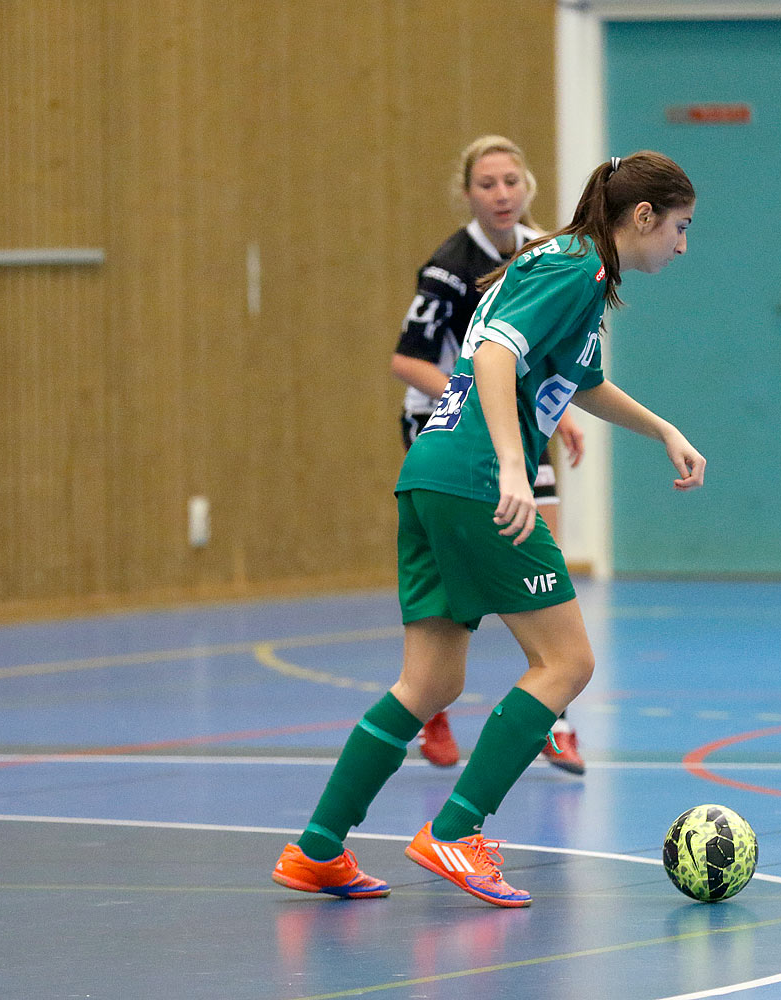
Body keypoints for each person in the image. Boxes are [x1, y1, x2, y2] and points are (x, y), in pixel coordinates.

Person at [273, 151, 703, 906]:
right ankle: (457, 832)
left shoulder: (573, 268)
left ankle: (316, 849)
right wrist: (513, 464)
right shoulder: (575, 267)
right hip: (475, 478)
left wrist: (663, 428)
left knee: (431, 680)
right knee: (566, 663)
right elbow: (498, 354)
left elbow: (582, 381)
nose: (683, 244)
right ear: (643, 218)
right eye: (680, 227)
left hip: (430, 474)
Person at [391, 135, 588, 775]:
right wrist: (477, 397)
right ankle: (432, 699)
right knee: (455, 582)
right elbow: (407, 360)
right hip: (449, 432)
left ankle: (555, 718)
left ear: (528, 185)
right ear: (468, 193)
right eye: (486, 184)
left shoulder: (544, 253)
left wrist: (559, 416)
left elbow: (545, 354)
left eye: (511, 181)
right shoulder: (448, 268)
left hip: (520, 431)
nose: (501, 194)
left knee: (545, 561)